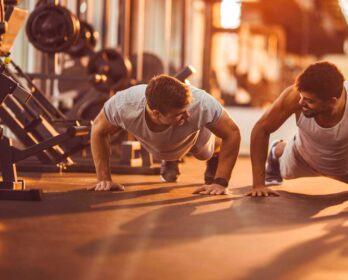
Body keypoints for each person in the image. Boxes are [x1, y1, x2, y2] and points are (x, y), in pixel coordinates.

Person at [248, 61, 348, 201]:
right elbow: (262, 128)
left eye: (310, 101)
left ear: (332, 102)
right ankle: (277, 151)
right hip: (301, 158)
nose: (301, 102)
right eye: (302, 97)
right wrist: (258, 184)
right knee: (285, 160)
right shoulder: (295, 96)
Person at [88, 74, 241, 195]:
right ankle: (171, 159)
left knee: (205, 153)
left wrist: (221, 182)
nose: (187, 115)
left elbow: (232, 133)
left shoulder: (201, 103)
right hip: (159, 143)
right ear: (156, 113)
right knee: (163, 150)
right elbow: (98, 129)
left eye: (187, 109)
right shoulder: (124, 105)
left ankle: (214, 156)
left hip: (194, 135)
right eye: (180, 113)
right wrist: (104, 179)